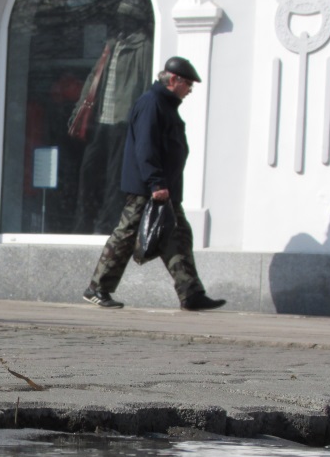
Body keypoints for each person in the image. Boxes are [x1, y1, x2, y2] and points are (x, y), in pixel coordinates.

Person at [83, 56, 225, 311]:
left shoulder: (165, 105)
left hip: (163, 189)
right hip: (148, 190)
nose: (190, 90)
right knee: (126, 236)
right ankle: (97, 289)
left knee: (178, 236)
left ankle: (191, 293)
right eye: (188, 85)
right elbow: (146, 148)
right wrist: (156, 183)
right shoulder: (152, 103)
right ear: (174, 80)